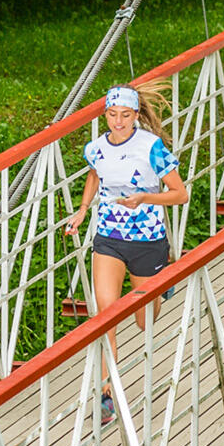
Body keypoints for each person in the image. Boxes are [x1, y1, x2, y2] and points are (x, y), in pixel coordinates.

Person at [63, 80, 187, 424]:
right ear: (106, 115)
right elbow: (95, 175)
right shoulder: (95, 148)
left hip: (148, 239)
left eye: (126, 115)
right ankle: (107, 395)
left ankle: (162, 281)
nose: (119, 122)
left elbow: (180, 194)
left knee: (144, 320)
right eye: (113, 115)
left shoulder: (152, 147)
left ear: (136, 115)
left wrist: (145, 198)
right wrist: (83, 209)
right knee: (106, 318)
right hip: (109, 238)